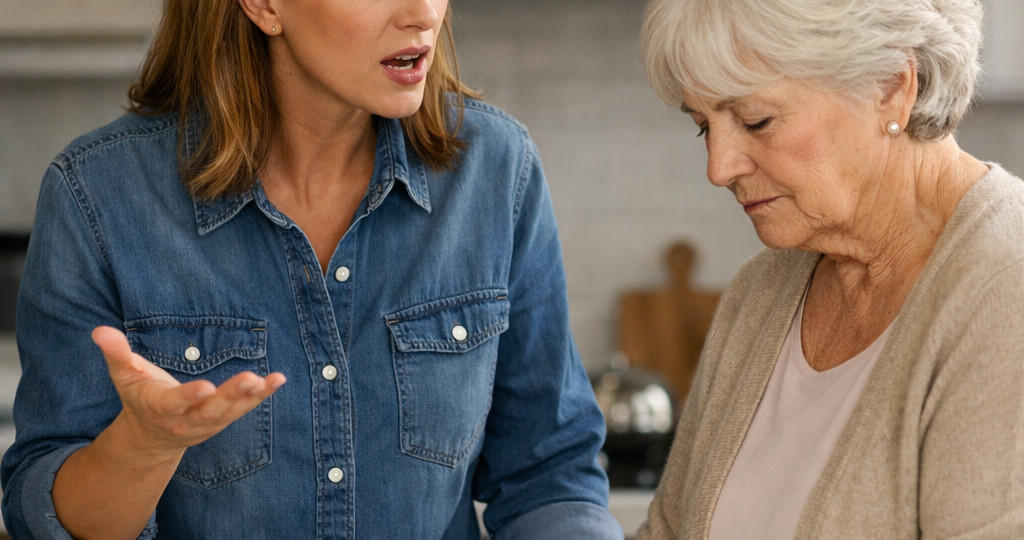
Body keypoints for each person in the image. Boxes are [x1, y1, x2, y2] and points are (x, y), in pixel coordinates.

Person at [0, 0, 623, 538]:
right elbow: (44, 514)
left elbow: (550, 474)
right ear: (264, 6)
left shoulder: (496, 171)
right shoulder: (96, 194)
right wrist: (144, 445)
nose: (424, 14)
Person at [635, 0, 1024, 538]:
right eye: (704, 126)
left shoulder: (1007, 291)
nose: (718, 167)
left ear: (890, 85)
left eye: (756, 120)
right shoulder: (761, 291)